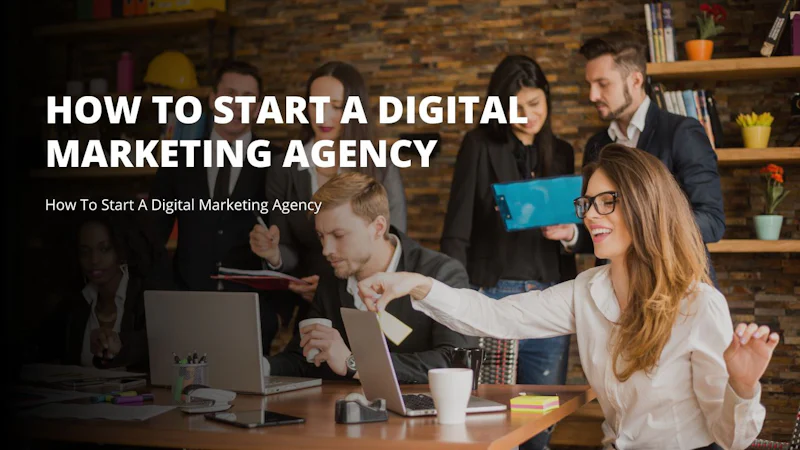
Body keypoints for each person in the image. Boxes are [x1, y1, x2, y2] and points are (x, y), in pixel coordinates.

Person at [359, 144, 777, 450]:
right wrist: (417, 283)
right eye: (587, 203)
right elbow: (497, 317)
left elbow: (731, 438)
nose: (591, 215)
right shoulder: (588, 289)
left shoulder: (698, 304)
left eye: (607, 202)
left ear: (646, 206)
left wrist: (742, 386)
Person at [440, 54, 575, 450]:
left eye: (535, 104)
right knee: (492, 420)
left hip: (550, 298)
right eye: (515, 106)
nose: (527, 115)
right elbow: (456, 227)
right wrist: (457, 298)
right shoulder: (479, 145)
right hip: (493, 295)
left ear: (547, 100)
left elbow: (582, 229)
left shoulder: (563, 152)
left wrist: (569, 233)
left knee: (541, 420)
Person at [546, 32, 725, 286]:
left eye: (602, 84)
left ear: (635, 80)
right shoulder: (596, 145)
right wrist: (573, 232)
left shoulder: (681, 133)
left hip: (675, 287)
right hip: (612, 294)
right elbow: (605, 227)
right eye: (590, 84)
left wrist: (638, 223)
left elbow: (712, 222)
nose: (592, 95)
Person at [264, 172, 473, 383]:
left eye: (338, 235)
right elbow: (302, 359)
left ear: (378, 227)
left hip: (420, 411)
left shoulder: (440, 273)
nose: (326, 250)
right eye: (321, 236)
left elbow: (454, 362)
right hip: (341, 411)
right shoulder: (333, 274)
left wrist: (353, 363)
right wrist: (260, 366)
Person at [250, 61, 407, 327]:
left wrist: (332, 288)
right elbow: (287, 249)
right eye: (315, 104)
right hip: (308, 304)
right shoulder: (283, 167)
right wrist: (273, 253)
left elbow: (393, 244)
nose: (323, 117)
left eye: (336, 107)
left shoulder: (379, 167)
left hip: (367, 301)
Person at [149, 61, 279, 349]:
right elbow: (151, 237)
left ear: (258, 108)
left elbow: (285, 240)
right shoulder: (177, 160)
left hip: (252, 312)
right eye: (230, 94)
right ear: (213, 99)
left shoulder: (277, 161)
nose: (237, 105)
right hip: (185, 308)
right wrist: (165, 294)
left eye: (248, 98)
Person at [38, 213, 162, 372]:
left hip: (137, 396)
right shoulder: (71, 305)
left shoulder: (146, 297)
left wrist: (119, 345)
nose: (94, 260)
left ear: (121, 250)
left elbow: (156, 346)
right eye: (85, 251)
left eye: (104, 249)